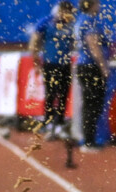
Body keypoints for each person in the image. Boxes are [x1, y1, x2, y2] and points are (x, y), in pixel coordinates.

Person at [30, 2, 76, 140]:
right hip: (50, 64)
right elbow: (34, 43)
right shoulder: (46, 23)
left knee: (63, 94)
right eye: (66, 12)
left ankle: (60, 123)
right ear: (60, 11)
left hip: (65, 64)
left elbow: (74, 43)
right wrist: (36, 63)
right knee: (51, 93)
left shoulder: (71, 25)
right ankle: (49, 122)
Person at [75, 0, 109, 152]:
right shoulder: (90, 22)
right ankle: (89, 141)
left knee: (90, 103)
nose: (100, 6)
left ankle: (88, 138)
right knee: (93, 103)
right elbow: (93, 45)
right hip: (91, 67)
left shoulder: (80, 20)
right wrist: (103, 67)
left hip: (84, 65)